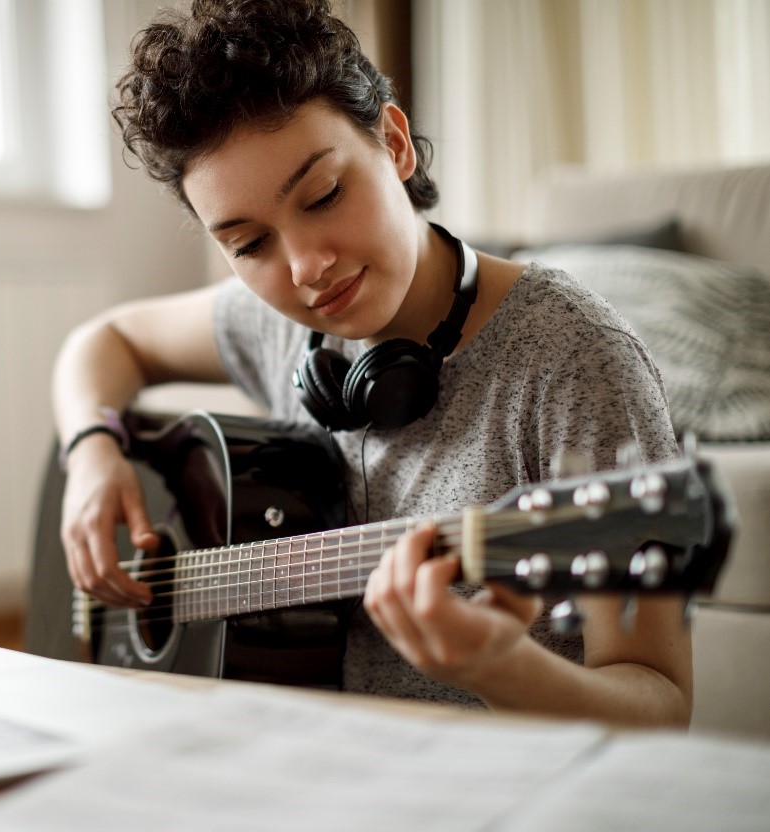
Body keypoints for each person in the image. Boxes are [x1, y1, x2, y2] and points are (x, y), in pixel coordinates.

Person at [51, 0, 690, 726]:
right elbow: (101, 343)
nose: (306, 268)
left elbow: (660, 706)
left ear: (392, 143)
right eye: (249, 244)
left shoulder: (573, 358)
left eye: (323, 195)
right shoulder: (274, 325)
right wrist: (91, 449)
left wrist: (501, 670)